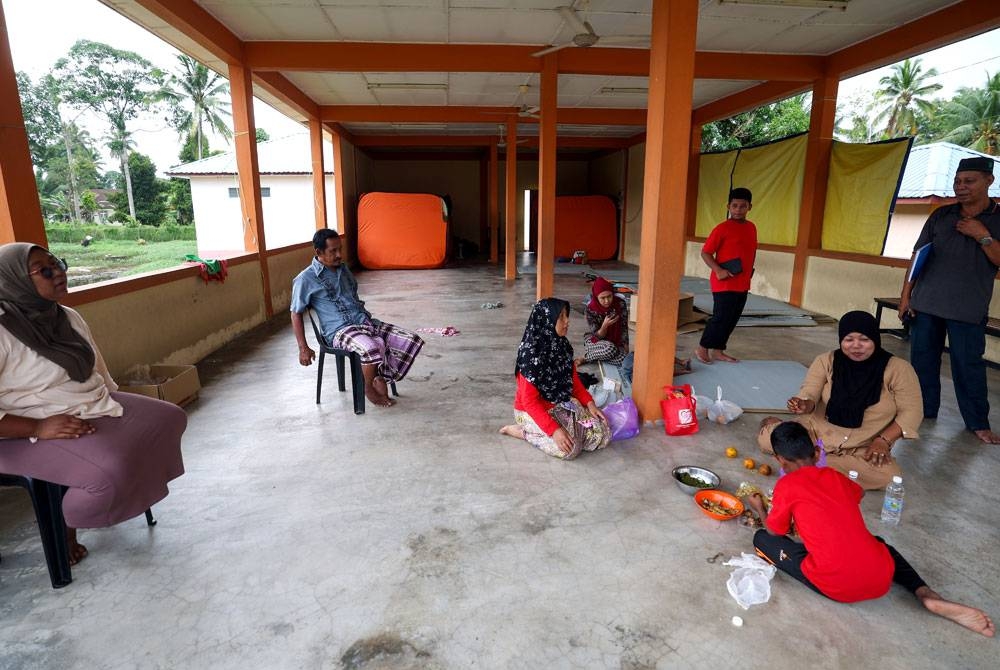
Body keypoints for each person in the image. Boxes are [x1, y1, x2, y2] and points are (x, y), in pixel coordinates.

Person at [0, 243, 186, 565]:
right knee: (108, 473)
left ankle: (132, 492)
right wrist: (38, 427)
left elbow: (96, 370)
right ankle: (67, 521)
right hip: (26, 427)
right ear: (15, 281)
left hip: (89, 404)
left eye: (57, 262)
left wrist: (117, 408)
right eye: (45, 270)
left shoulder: (67, 316)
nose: (58, 272)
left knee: (167, 419)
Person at [743, 422, 994, 637]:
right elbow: (857, 493)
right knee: (879, 543)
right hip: (880, 576)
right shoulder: (835, 476)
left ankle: (818, 565)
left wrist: (759, 509)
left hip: (838, 586)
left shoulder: (788, 486)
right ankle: (926, 592)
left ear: (779, 460)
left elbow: (777, 531)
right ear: (817, 451)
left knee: (762, 539)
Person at [757, 311, 921, 490]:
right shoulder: (826, 361)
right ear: (841, 339)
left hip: (863, 446)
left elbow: (912, 411)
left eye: (864, 339)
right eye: (849, 339)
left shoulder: (898, 369)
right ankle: (802, 452)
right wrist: (804, 403)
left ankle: (805, 461)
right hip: (815, 435)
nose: (856, 346)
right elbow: (810, 392)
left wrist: (883, 440)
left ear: (875, 338)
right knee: (767, 439)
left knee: (889, 477)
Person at [899, 156, 1000, 444]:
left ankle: (977, 422)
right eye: (958, 181)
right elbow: (918, 257)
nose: (961, 187)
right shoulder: (941, 216)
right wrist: (906, 296)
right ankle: (924, 410)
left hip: (967, 309)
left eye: (970, 181)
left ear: (988, 181)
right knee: (922, 362)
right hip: (927, 303)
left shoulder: (997, 219)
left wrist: (983, 236)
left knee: (968, 365)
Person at [290, 229, 424, 408]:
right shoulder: (305, 279)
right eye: (333, 251)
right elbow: (295, 312)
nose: (339, 255)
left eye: (340, 249)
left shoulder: (344, 269)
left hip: (363, 322)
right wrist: (303, 348)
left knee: (411, 340)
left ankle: (379, 376)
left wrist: (366, 323)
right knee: (370, 348)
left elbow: (353, 297)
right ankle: (367, 387)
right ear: (318, 252)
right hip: (339, 331)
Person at [499, 298, 610, 460]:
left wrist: (590, 404)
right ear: (546, 320)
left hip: (558, 406)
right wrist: (555, 431)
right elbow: (529, 402)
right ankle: (522, 431)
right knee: (569, 450)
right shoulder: (531, 355)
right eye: (561, 317)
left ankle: (537, 431)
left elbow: (574, 383)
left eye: (567, 315)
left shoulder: (562, 347)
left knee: (602, 433)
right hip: (529, 411)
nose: (567, 321)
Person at [576, 277, 691, 380]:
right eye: (603, 298)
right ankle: (587, 356)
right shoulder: (591, 309)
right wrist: (605, 325)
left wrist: (625, 345)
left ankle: (676, 364)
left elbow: (624, 327)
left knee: (633, 362)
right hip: (595, 342)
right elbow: (596, 336)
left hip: (616, 345)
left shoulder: (620, 304)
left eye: (609, 296)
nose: (607, 301)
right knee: (610, 349)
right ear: (596, 297)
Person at [695, 187, 757, 364]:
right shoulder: (722, 228)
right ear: (728, 206)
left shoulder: (752, 228)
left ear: (749, 207)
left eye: (742, 206)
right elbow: (706, 252)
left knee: (732, 319)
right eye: (734, 206)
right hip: (724, 282)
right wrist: (718, 270)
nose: (738, 210)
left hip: (742, 282)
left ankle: (718, 350)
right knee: (720, 317)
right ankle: (702, 348)